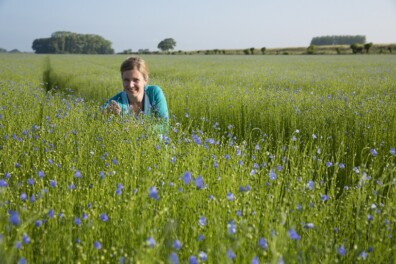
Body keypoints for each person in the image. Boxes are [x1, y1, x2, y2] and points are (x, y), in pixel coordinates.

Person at [101, 57, 169, 133]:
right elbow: (95, 116)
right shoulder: (118, 101)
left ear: (145, 80)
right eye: (126, 80)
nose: (130, 85)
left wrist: (139, 129)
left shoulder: (154, 93)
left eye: (135, 80)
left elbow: (164, 125)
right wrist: (104, 114)